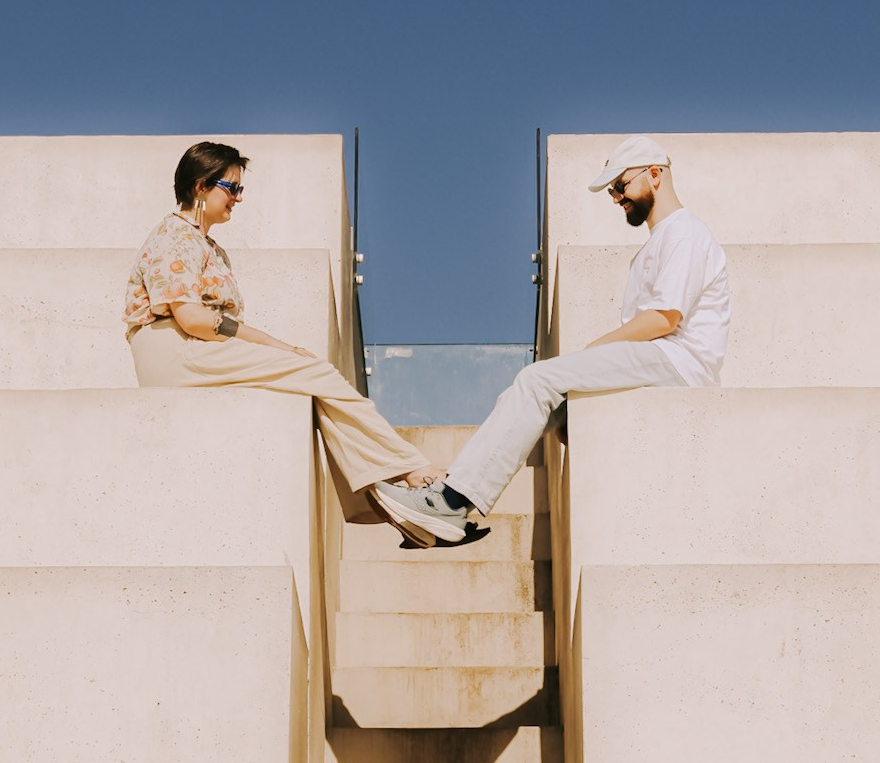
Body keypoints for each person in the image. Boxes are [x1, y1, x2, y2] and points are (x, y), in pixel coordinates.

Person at [373, 134, 729, 543]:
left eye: (621, 186)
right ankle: (445, 507)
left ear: (655, 175)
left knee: (538, 379)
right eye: (612, 191)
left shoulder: (684, 232)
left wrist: (592, 354)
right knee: (545, 396)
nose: (616, 198)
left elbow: (664, 318)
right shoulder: (656, 245)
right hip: (660, 359)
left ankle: (452, 502)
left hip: (680, 362)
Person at [126, 140, 447, 544]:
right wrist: (279, 349)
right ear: (201, 186)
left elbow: (220, 324)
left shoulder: (208, 246)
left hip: (192, 348)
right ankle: (415, 472)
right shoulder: (175, 235)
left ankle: (388, 503)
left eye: (240, 189)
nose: (238, 198)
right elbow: (192, 319)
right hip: (174, 350)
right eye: (231, 187)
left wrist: (281, 349)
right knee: (318, 373)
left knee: (311, 378)